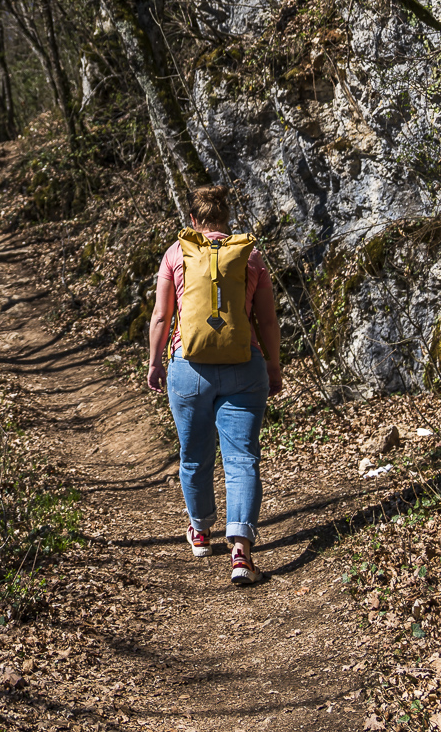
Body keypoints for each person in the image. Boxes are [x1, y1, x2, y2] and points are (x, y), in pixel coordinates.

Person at [145, 184, 283, 587]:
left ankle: (201, 531)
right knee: (242, 459)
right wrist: (273, 367)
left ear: (193, 219)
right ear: (227, 217)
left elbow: (160, 316)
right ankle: (240, 550)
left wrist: (156, 363)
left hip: (188, 367)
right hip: (244, 366)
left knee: (194, 454)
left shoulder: (176, 253)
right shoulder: (250, 254)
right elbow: (268, 321)